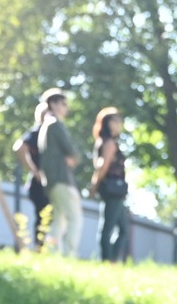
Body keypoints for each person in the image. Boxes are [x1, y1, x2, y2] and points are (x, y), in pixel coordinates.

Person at [35, 89, 82, 259]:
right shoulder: (55, 124)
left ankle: (53, 253)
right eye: (63, 104)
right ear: (53, 104)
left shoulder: (45, 125)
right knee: (75, 218)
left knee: (59, 220)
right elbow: (72, 151)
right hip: (62, 179)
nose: (66, 108)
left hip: (51, 181)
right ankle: (70, 255)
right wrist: (73, 157)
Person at [90, 106, 131, 263]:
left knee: (123, 229)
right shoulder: (109, 143)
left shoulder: (107, 142)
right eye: (115, 120)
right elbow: (102, 167)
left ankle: (112, 259)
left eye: (120, 120)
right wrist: (94, 186)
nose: (118, 123)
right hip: (112, 189)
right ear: (106, 123)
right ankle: (108, 260)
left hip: (117, 191)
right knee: (108, 228)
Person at [12, 120, 50, 248]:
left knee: (46, 217)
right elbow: (19, 147)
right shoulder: (38, 131)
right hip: (39, 185)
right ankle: (39, 248)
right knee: (43, 217)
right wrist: (35, 171)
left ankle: (41, 247)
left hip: (44, 184)